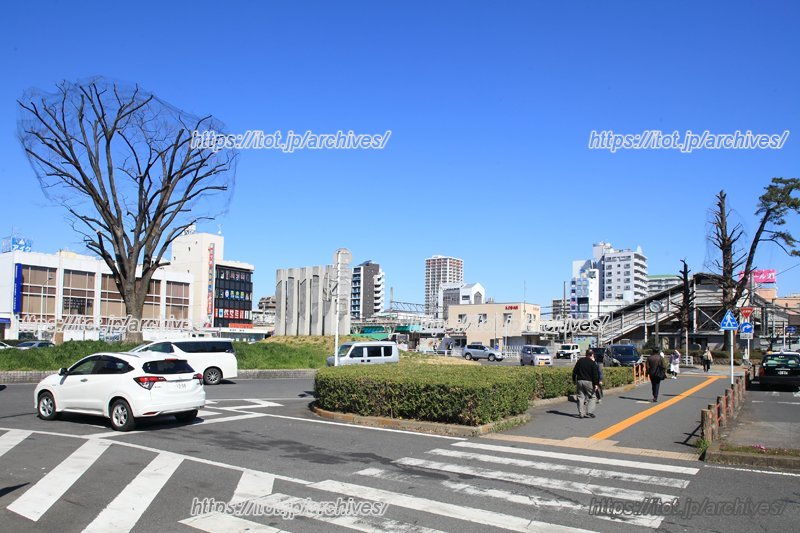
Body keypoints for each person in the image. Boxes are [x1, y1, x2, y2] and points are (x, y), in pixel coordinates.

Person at [572, 349, 600, 418]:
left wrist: (573, 380)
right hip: (588, 381)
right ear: (592, 355)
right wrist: (595, 384)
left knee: (580, 397)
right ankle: (589, 412)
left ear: (586, 354)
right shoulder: (592, 363)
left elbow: (574, 371)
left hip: (579, 381)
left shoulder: (580, 361)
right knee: (593, 396)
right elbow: (595, 375)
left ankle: (581, 413)